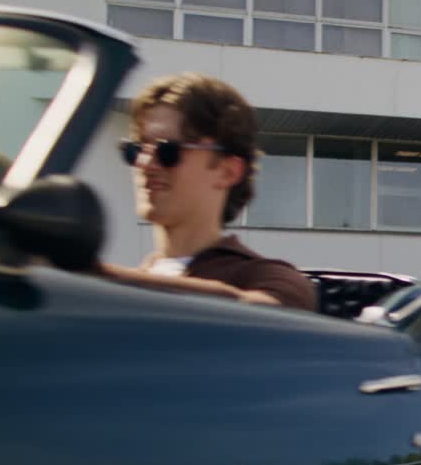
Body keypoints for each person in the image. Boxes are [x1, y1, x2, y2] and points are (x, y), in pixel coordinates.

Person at [101, 72, 317, 312]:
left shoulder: (270, 279)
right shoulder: (132, 279)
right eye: (136, 149)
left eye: (167, 150)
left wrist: (97, 277)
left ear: (228, 171)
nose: (145, 163)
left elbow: (262, 314)